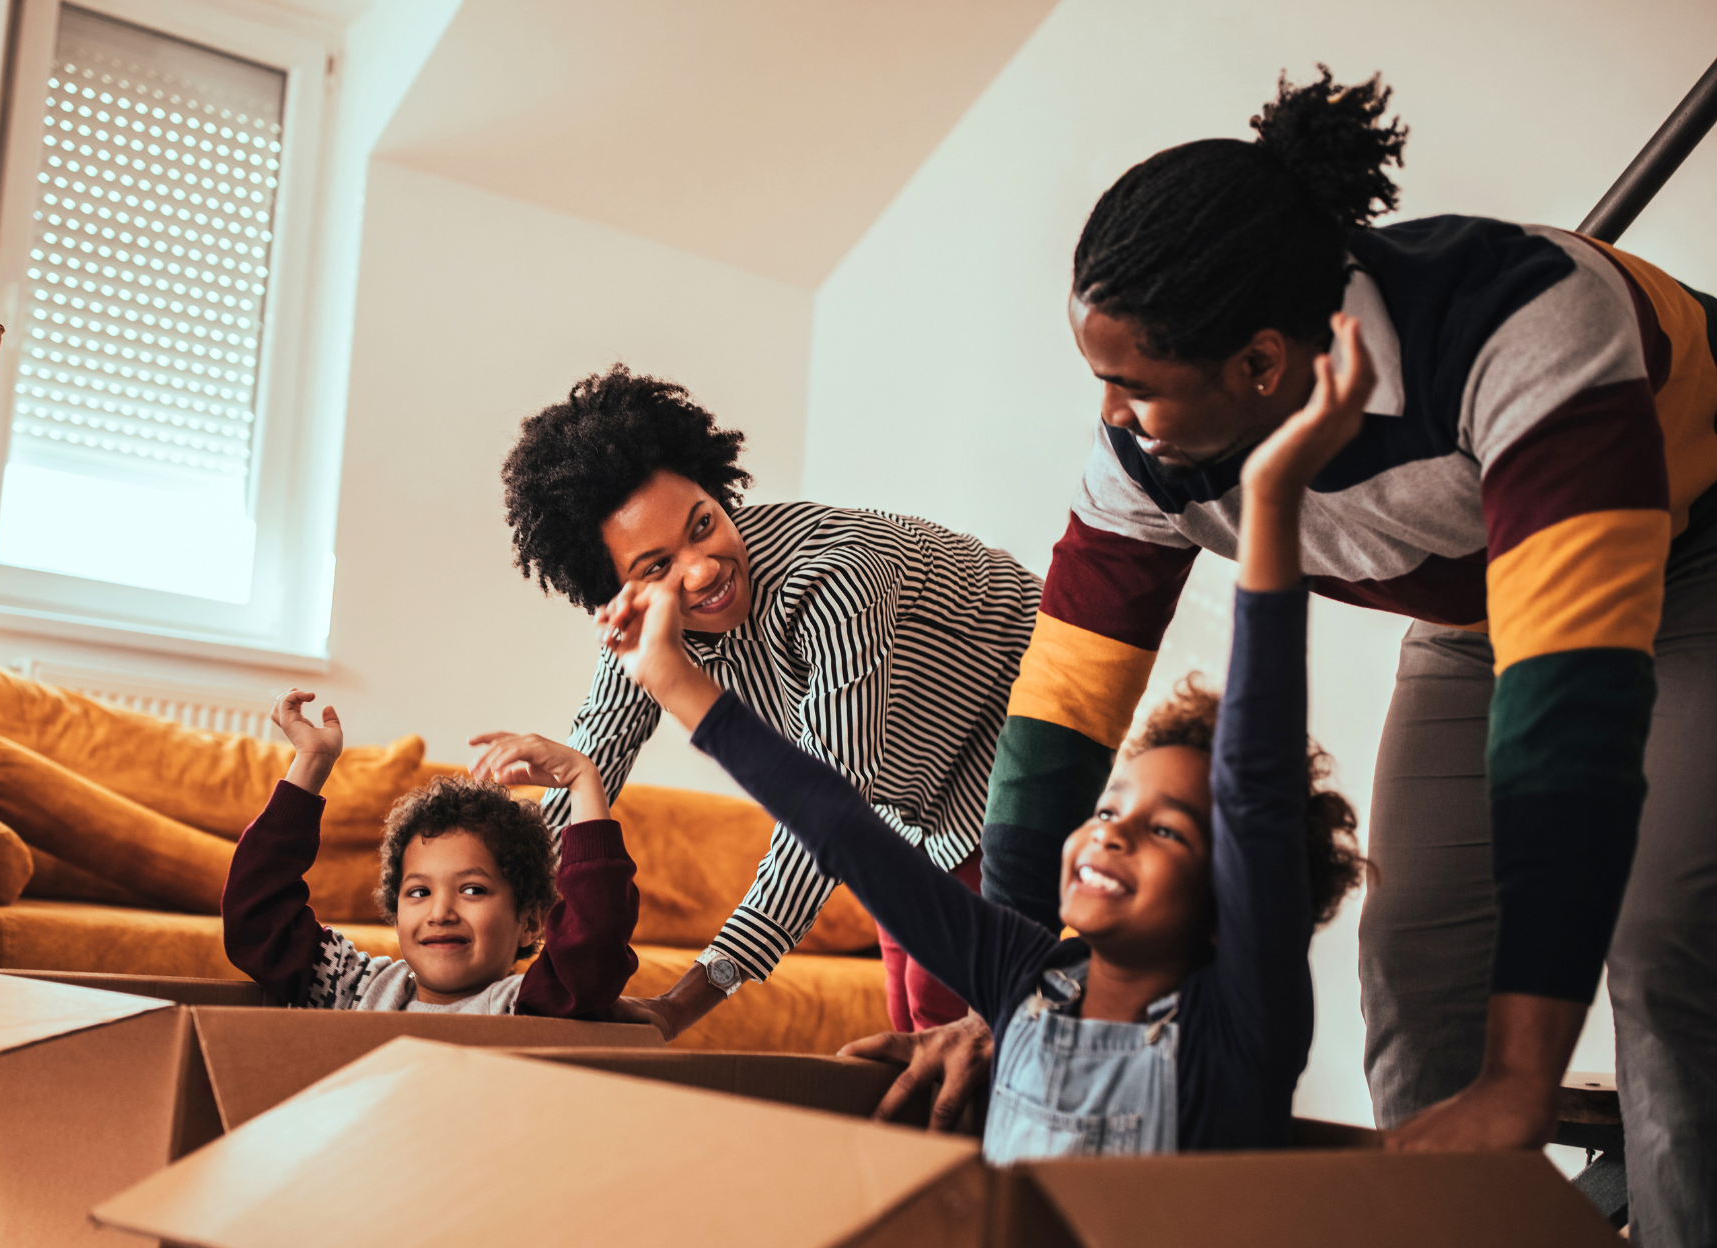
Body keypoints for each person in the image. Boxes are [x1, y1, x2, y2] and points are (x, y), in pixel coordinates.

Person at [882, 65, 1717, 1238]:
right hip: (1478, 597)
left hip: (1689, 559)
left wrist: (1526, 1080)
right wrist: (1018, 1001)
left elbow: (1566, 730)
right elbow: (1061, 709)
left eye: (1134, 385)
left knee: (1664, 929)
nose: (1110, 417)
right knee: (1412, 952)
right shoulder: (1140, 460)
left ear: (1263, 366)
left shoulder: (1528, 326)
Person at [591, 321, 1369, 1156]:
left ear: (1233, 895)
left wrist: (1276, 503)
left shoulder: (1245, 1023)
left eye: (1167, 830)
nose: (1107, 829)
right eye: (1110, 807)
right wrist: (672, 683)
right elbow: (837, 821)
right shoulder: (1020, 977)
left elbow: (1252, 781)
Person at [502, 366, 1040, 1036]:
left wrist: (683, 1002)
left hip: (1019, 732)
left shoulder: (837, 578)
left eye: (704, 524)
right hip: (905, 792)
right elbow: (595, 752)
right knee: (910, 1019)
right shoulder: (642, 626)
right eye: (656, 566)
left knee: (948, 1014)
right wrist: (495, 895)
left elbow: (822, 820)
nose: (701, 569)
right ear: (619, 589)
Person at [221, 689, 638, 1016]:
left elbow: (593, 947)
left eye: (472, 890)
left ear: (529, 922)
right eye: (419, 892)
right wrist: (310, 764)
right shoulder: (355, 987)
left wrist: (584, 780)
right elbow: (256, 920)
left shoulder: (526, 1006)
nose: (440, 912)